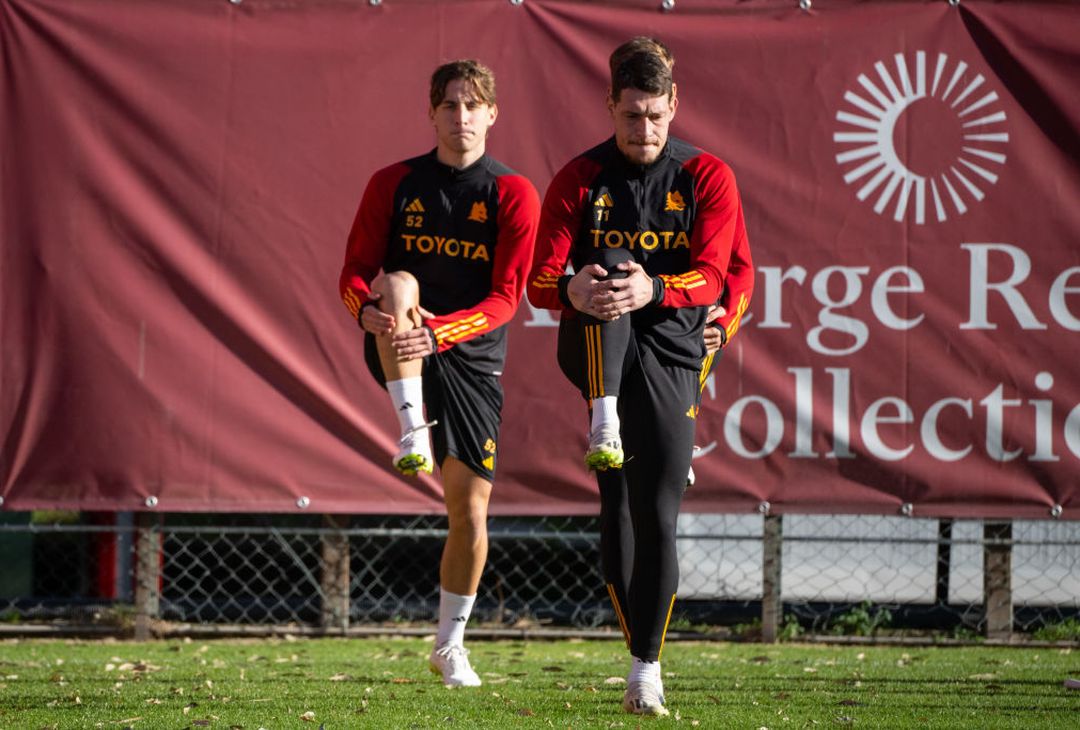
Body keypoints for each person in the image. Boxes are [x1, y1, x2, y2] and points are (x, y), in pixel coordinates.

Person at [526, 37, 753, 715]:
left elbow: (719, 277)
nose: (644, 129)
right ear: (610, 106)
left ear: (674, 105)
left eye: (655, 115)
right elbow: (538, 279)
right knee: (610, 265)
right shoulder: (580, 177)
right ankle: (605, 422)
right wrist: (572, 289)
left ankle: (644, 667)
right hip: (597, 345)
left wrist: (656, 289)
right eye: (631, 116)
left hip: (675, 348)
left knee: (656, 511)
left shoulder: (706, 175)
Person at [339, 60, 540, 687]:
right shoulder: (393, 183)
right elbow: (354, 273)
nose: (461, 117)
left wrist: (444, 331)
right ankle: (411, 430)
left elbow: (507, 299)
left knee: (470, 511)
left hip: (472, 354)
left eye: (472, 105)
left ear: (492, 114)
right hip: (402, 342)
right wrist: (365, 309)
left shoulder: (513, 192)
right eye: (450, 105)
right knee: (399, 280)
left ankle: (449, 646)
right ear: (431, 113)